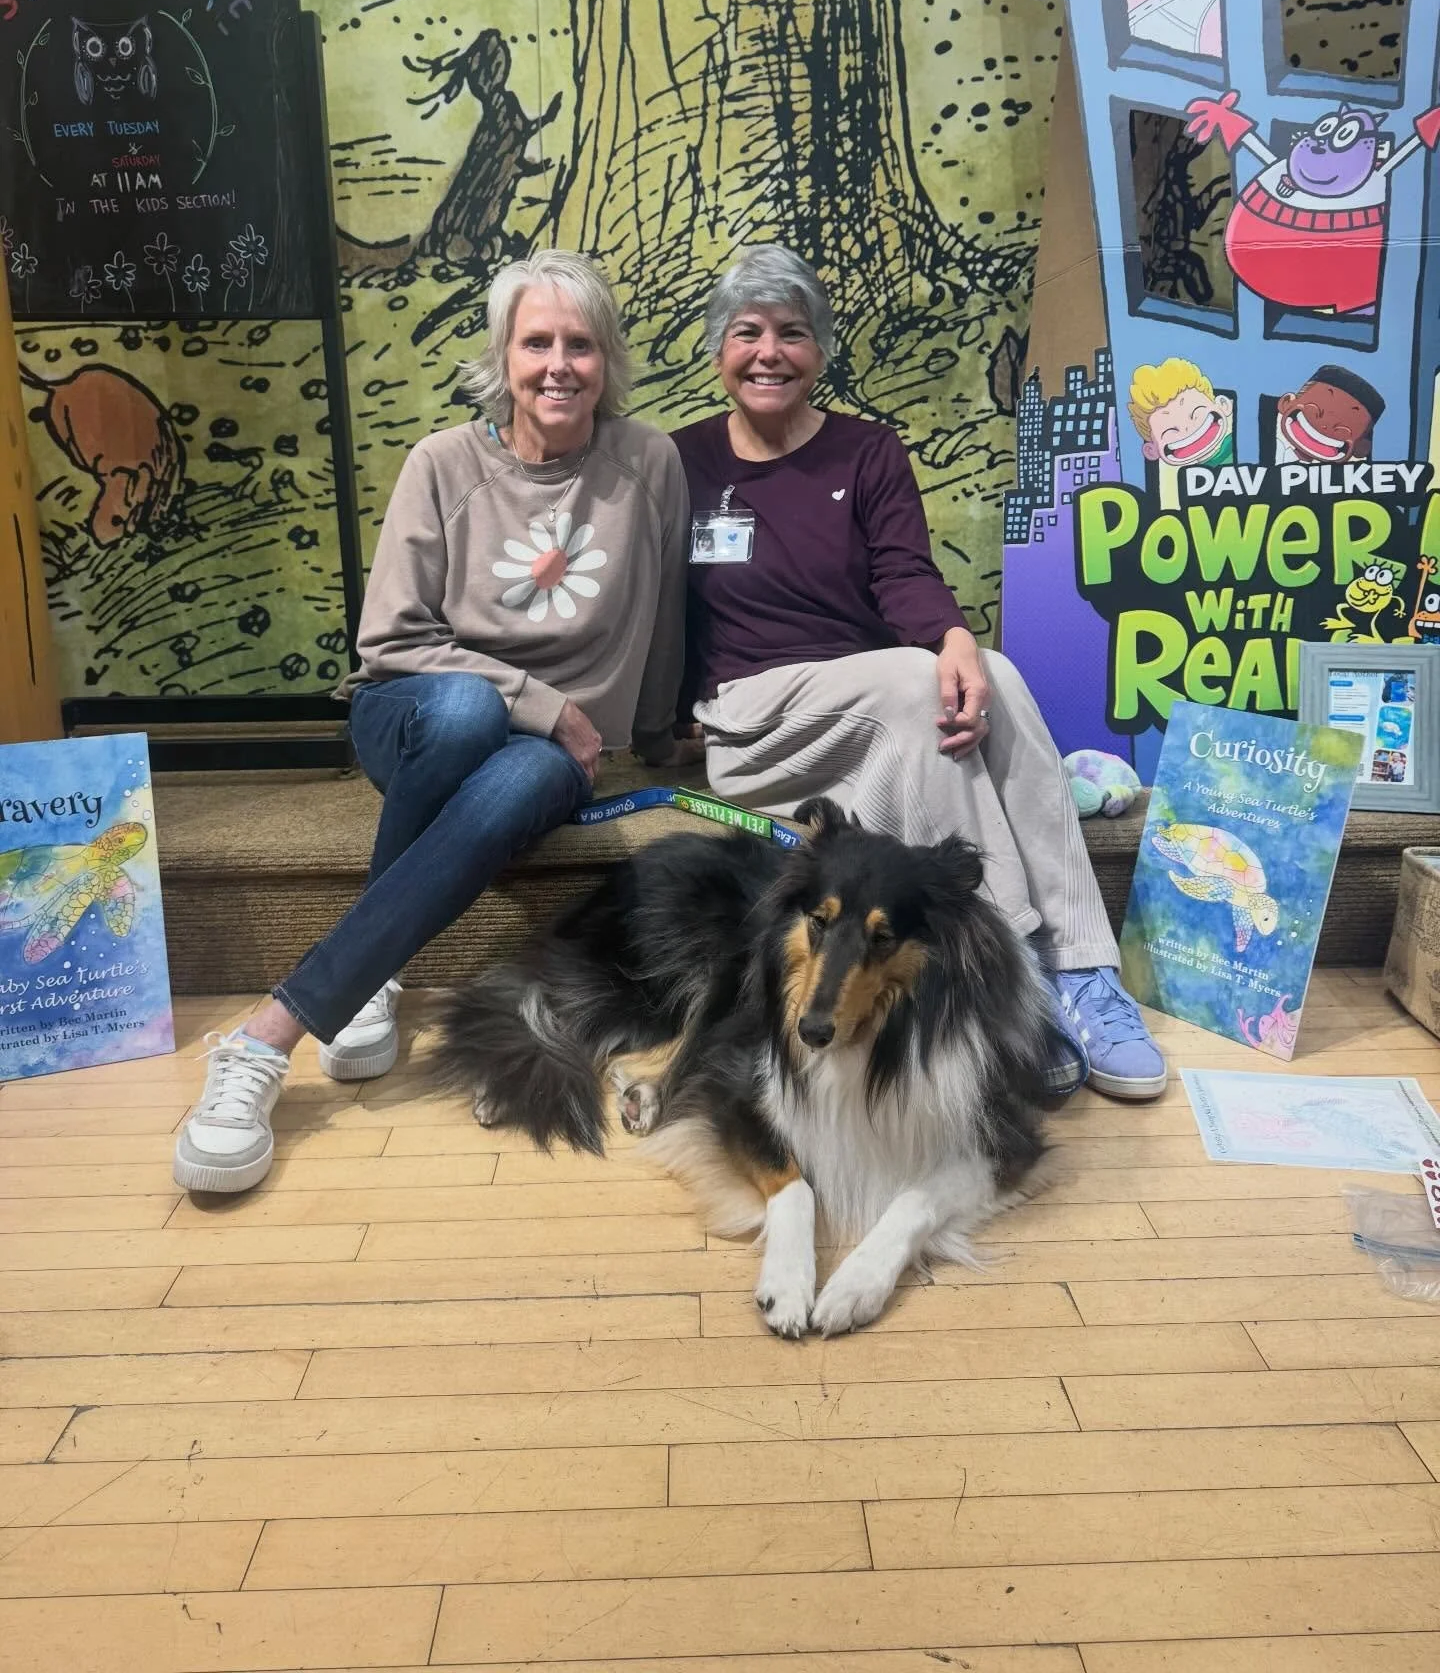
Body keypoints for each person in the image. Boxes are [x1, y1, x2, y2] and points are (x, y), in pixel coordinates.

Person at [174, 251, 693, 1193]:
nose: (558, 366)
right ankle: (285, 1026)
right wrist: (543, 703)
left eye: (581, 344)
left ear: (609, 359)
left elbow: (666, 619)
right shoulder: (443, 463)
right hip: (415, 713)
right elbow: (390, 643)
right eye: (537, 342)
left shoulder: (648, 464)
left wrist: (657, 736)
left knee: (530, 771)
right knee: (463, 712)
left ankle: (283, 1027)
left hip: (549, 755)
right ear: (503, 355)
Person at [673, 245, 1167, 1101]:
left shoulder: (867, 452)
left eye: (793, 333)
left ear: (820, 351)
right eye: (746, 332)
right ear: (719, 350)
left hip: (871, 702)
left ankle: (1084, 968)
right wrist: (646, 724)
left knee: (995, 677)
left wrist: (956, 638)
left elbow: (903, 573)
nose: (768, 352)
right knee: (913, 682)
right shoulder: (677, 461)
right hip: (757, 722)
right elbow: (644, 599)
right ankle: (1010, 978)